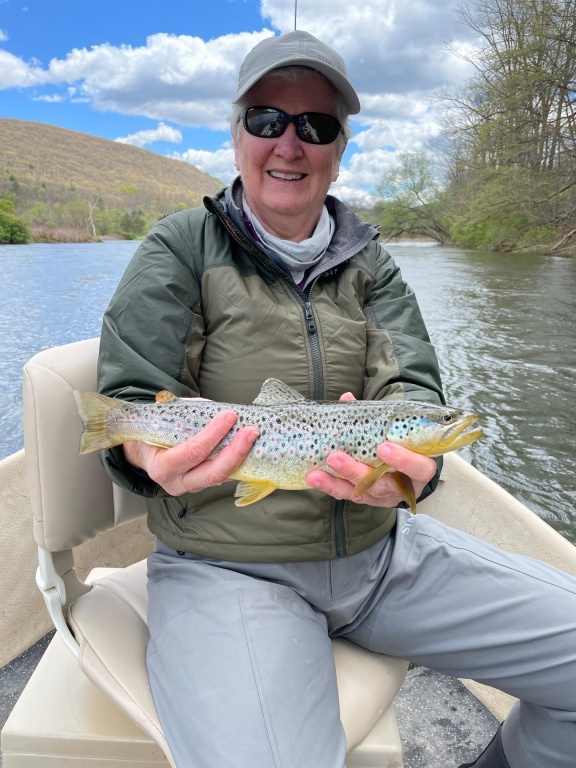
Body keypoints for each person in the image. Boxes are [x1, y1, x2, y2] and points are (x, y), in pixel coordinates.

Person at [97, 30, 576, 768]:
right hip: (225, 565)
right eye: (267, 119)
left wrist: (409, 475)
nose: (289, 143)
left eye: (316, 125)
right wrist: (142, 449)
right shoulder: (180, 247)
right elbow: (129, 392)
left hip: (380, 555)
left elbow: (412, 387)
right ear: (236, 136)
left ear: (340, 148)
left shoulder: (372, 263)